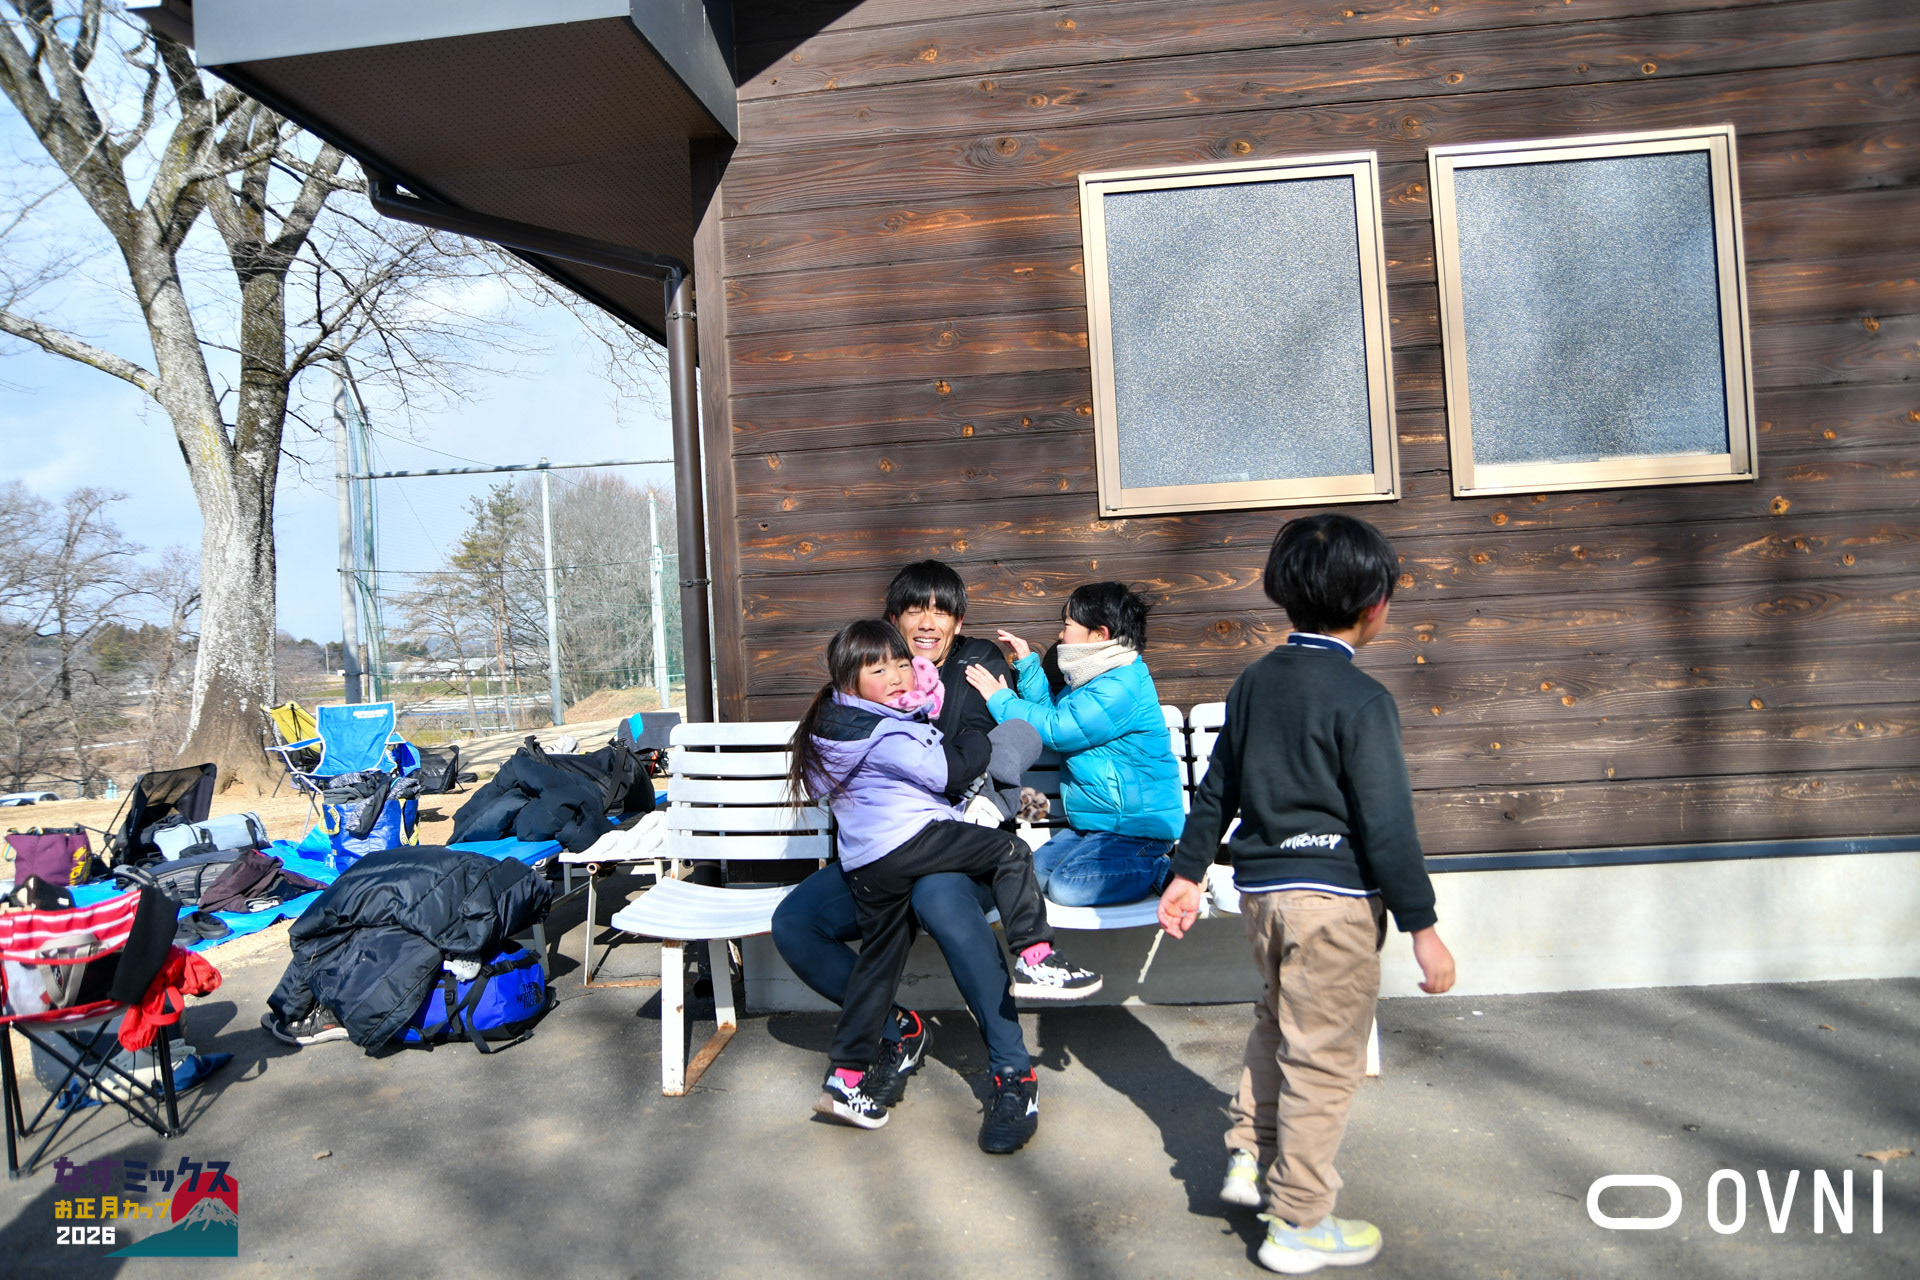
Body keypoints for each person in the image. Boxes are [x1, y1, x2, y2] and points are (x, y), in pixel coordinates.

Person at [1157, 514, 1457, 1276]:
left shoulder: (1255, 683)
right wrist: (1423, 926)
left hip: (1263, 897)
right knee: (1324, 1061)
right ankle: (1298, 1220)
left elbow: (1217, 790)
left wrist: (1187, 875)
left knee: (1278, 1021)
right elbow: (1388, 824)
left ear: (1283, 594)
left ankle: (1250, 1154)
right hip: (1334, 906)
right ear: (1375, 606)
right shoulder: (1363, 699)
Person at [770, 560, 1052, 1153]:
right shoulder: (872, 673)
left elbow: (977, 755)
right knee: (796, 921)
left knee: (939, 896)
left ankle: (1013, 1073)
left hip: (960, 841)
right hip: (889, 849)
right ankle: (898, 1030)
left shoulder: (977, 666)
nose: (928, 623)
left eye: (941, 611)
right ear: (893, 619)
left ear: (958, 622)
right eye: (914, 610)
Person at [964, 582, 1184, 906]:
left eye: (1067, 625)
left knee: (1068, 887)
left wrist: (1001, 700)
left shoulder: (1121, 686)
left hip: (1136, 830)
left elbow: (1059, 730)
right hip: (1097, 827)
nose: (1061, 635)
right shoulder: (1090, 680)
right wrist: (1028, 666)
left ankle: (1164, 871)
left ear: (1098, 634)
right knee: (1031, 875)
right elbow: (1056, 716)